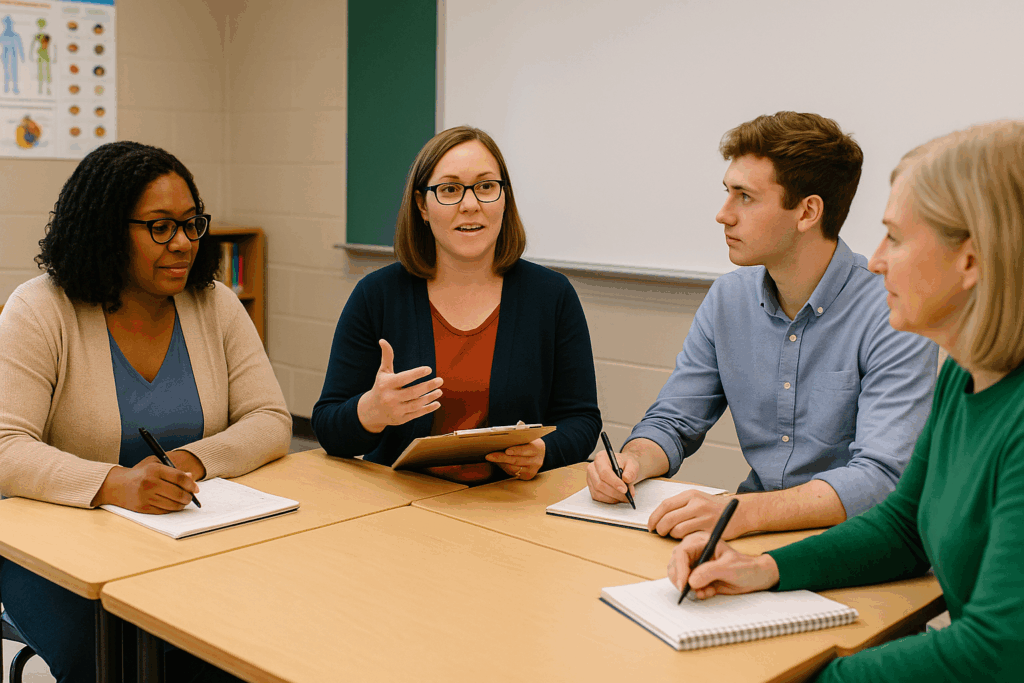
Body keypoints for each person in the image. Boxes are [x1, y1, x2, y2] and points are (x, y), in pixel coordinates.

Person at [667, 120, 1024, 682]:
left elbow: (998, 650)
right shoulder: (963, 376)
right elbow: (904, 530)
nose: (876, 259)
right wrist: (763, 569)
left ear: (972, 261)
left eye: (898, 238)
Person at [0, 141, 290, 683]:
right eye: (160, 227)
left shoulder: (215, 304)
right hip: (55, 550)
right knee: (115, 660)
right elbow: (5, 448)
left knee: (247, 640)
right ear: (107, 232)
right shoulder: (40, 309)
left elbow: (271, 420)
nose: (183, 244)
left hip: (186, 536)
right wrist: (114, 483)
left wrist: (192, 460)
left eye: (191, 224)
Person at [588, 112, 938, 538]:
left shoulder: (891, 311)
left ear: (808, 211)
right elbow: (674, 422)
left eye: (745, 197)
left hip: (853, 538)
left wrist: (743, 513)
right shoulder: (728, 299)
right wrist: (633, 460)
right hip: (751, 527)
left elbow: (880, 478)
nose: (723, 214)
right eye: (726, 193)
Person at [312, 126, 601, 484]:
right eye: (449, 189)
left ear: (504, 197)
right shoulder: (377, 295)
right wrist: (371, 411)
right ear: (422, 205)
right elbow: (327, 427)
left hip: (512, 506)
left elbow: (582, 419)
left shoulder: (551, 295)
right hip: (400, 508)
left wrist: (545, 452)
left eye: (486, 187)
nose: (470, 205)